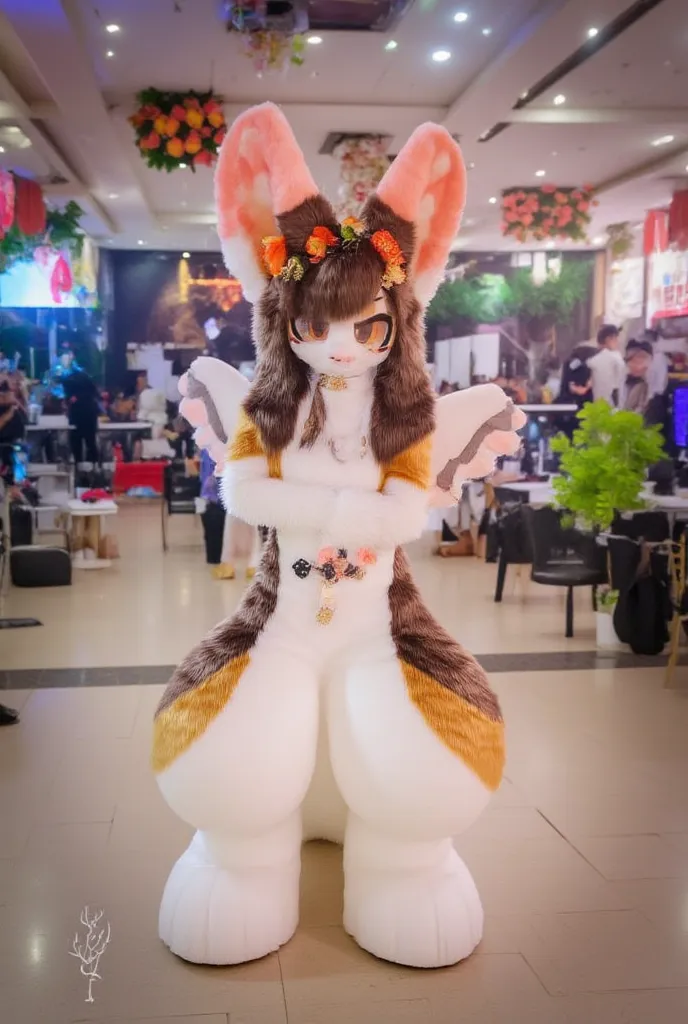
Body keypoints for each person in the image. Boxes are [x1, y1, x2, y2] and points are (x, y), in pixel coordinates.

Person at [587, 324, 625, 406]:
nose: (618, 341)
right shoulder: (616, 358)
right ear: (609, 339)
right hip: (613, 407)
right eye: (616, 338)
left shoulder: (591, 360)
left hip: (597, 407)